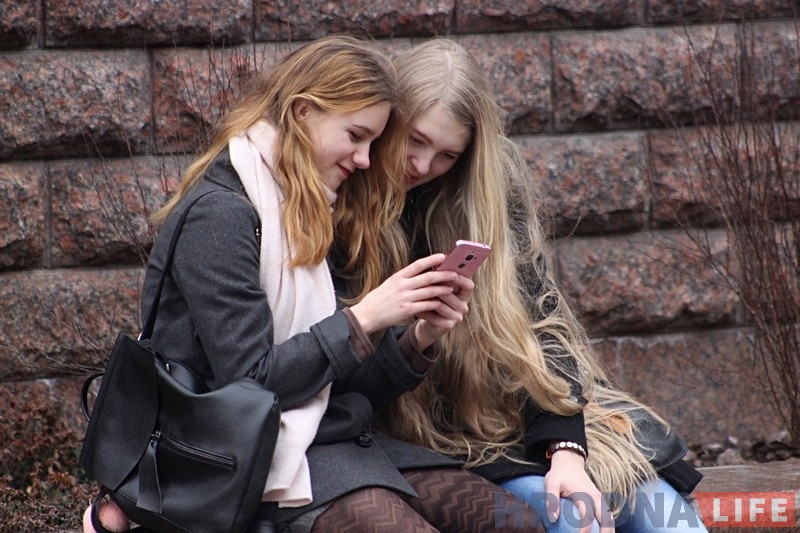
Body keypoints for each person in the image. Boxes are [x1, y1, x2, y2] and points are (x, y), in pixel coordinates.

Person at [83, 35, 544, 533]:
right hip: (237, 456)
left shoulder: (311, 205)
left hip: (330, 441)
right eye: (356, 136)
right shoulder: (220, 215)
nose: (365, 159)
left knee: (514, 522)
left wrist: (418, 338)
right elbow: (251, 382)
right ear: (303, 111)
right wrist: (363, 318)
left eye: (374, 143)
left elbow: (336, 383)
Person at [373, 38, 710, 533]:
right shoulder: (348, 196)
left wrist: (566, 451)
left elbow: (543, 322)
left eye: (447, 154)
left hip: (518, 412)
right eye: (415, 140)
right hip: (437, 438)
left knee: (664, 514)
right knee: (572, 520)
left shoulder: (486, 187)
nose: (422, 166)